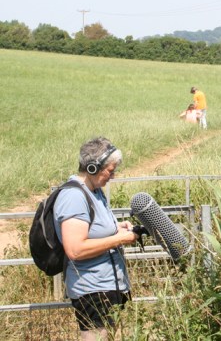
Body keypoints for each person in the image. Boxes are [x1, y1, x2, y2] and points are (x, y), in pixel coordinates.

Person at [53, 137, 138, 340]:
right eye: (110, 170)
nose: (113, 176)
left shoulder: (94, 191)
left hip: (107, 286)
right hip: (92, 290)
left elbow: (93, 228)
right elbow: (75, 249)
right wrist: (119, 240)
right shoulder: (74, 197)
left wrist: (117, 228)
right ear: (92, 168)